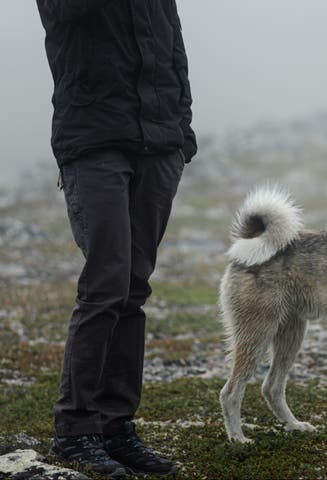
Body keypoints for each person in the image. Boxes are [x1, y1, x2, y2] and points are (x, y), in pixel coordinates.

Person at [37, 1, 197, 477]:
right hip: (93, 142)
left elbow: (174, 50)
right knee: (105, 285)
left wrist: (180, 134)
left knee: (132, 287)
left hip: (158, 144)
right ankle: (75, 429)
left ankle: (114, 425)